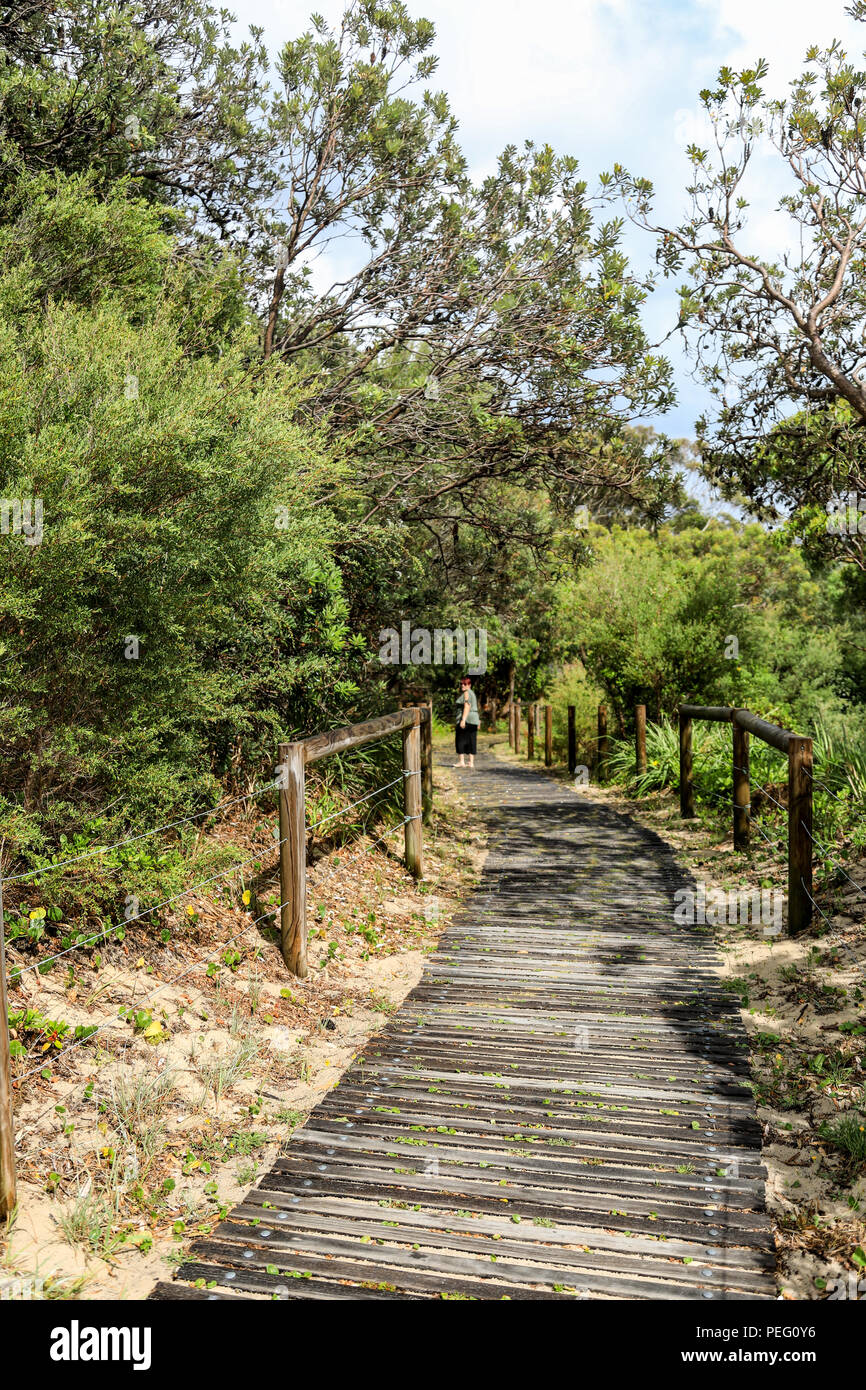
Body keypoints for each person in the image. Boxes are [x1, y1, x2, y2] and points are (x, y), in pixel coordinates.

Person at [453, 675, 480, 769]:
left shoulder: (466, 693)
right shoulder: (473, 693)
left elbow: (467, 706)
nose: (463, 686)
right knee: (472, 740)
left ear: (469, 685)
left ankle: (461, 761)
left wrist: (463, 720)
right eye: (461, 684)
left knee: (460, 740)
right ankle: (471, 762)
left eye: (465, 684)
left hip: (467, 719)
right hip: (474, 719)